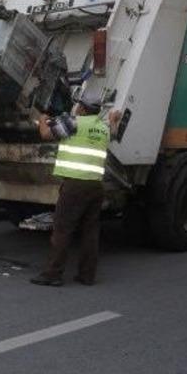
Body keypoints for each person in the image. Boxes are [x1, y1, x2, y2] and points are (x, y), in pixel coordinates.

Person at [30, 92, 121, 287]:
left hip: (75, 186)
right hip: (95, 186)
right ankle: (87, 275)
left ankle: (52, 274)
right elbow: (114, 134)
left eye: (79, 105)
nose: (77, 107)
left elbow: (46, 134)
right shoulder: (103, 127)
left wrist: (42, 119)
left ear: (83, 109)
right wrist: (114, 120)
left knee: (62, 230)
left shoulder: (73, 122)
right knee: (90, 232)